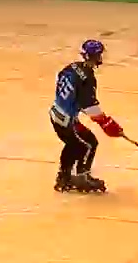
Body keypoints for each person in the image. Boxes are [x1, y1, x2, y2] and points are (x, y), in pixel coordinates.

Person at [50, 40, 123, 193]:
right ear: (96, 56)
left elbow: (68, 90)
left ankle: (64, 175)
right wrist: (107, 123)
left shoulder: (72, 67)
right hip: (66, 121)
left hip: (56, 114)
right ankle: (83, 177)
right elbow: (89, 106)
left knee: (73, 145)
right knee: (89, 144)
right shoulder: (88, 78)